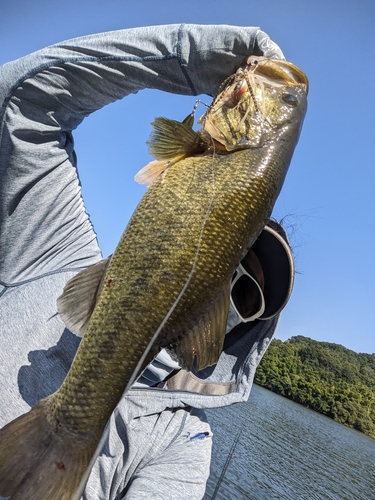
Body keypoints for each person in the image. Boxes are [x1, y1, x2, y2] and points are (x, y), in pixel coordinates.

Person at [0, 24, 293, 499]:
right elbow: (22, 102)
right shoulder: (55, 254)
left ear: (239, 331)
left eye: (244, 291)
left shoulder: (182, 446)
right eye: (234, 249)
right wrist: (186, 57)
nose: (226, 272)